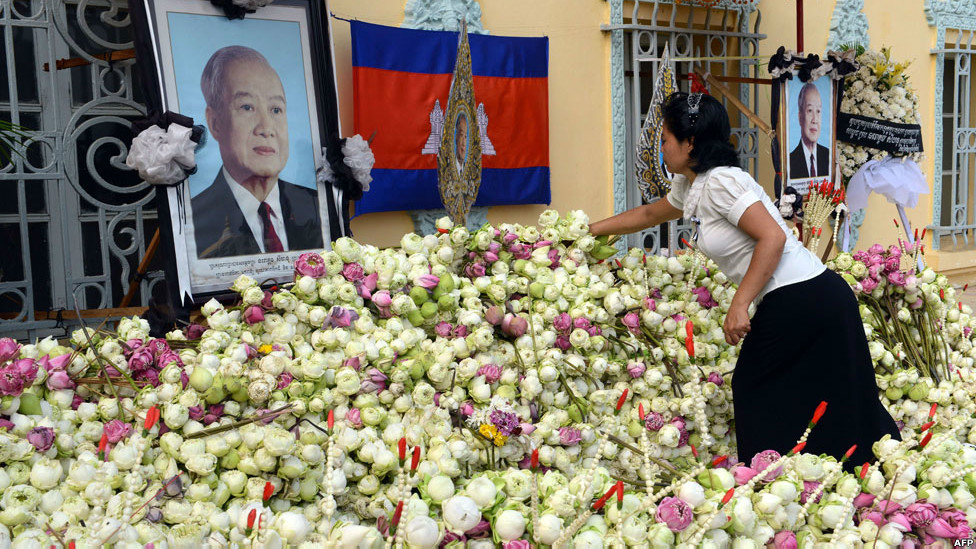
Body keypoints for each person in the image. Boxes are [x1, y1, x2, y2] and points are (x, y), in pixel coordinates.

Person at [589, 92, 898, 468]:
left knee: (755, 385)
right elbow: (650, 214)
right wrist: (588, 231)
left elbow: (774, 237)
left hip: (803, 296)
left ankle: (770, 474)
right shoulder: (694, 184)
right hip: (805, 296)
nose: (662, 148)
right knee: (813, 388)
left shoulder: (721, 182)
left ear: (690, 143)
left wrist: (739, 304)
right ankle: (821, 470)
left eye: (666, 139)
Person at [192, 45, 324, 259]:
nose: (266, 128)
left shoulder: (317, 207)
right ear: (215, 122)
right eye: (247, 107)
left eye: (276, 110)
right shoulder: (193, 220)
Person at [788, 82, 831, 180]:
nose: (814, 120)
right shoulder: (789, 162)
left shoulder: (829, 157)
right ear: (800, 117)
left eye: (818, 111)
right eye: (810, 110)